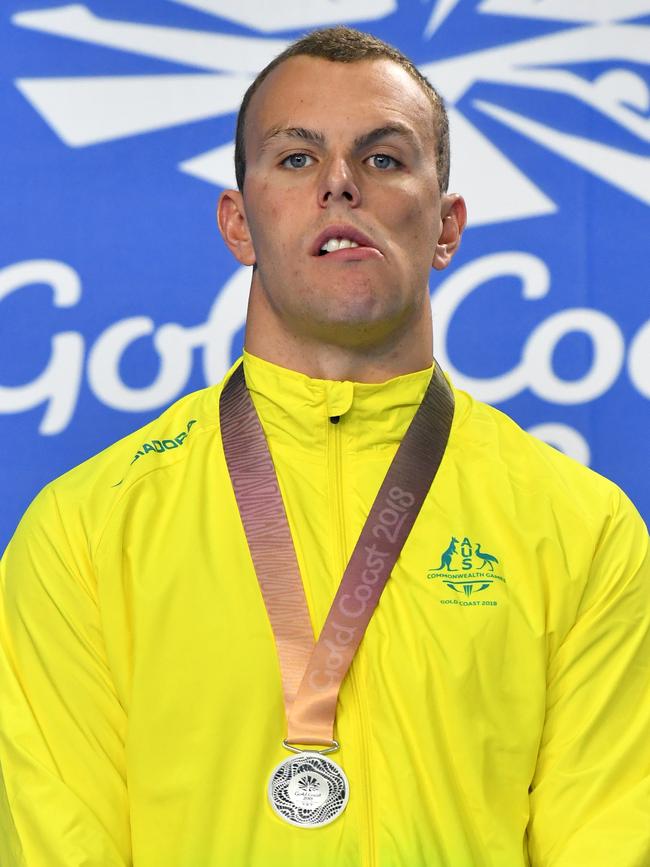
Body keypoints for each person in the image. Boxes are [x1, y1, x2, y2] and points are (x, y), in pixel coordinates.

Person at [0, 25, 648, 867]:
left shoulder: (582, 528)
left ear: (447, 226)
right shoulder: (82, 532)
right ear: (238, 223)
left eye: (383, 158)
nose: (340, 184)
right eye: (298, 158)